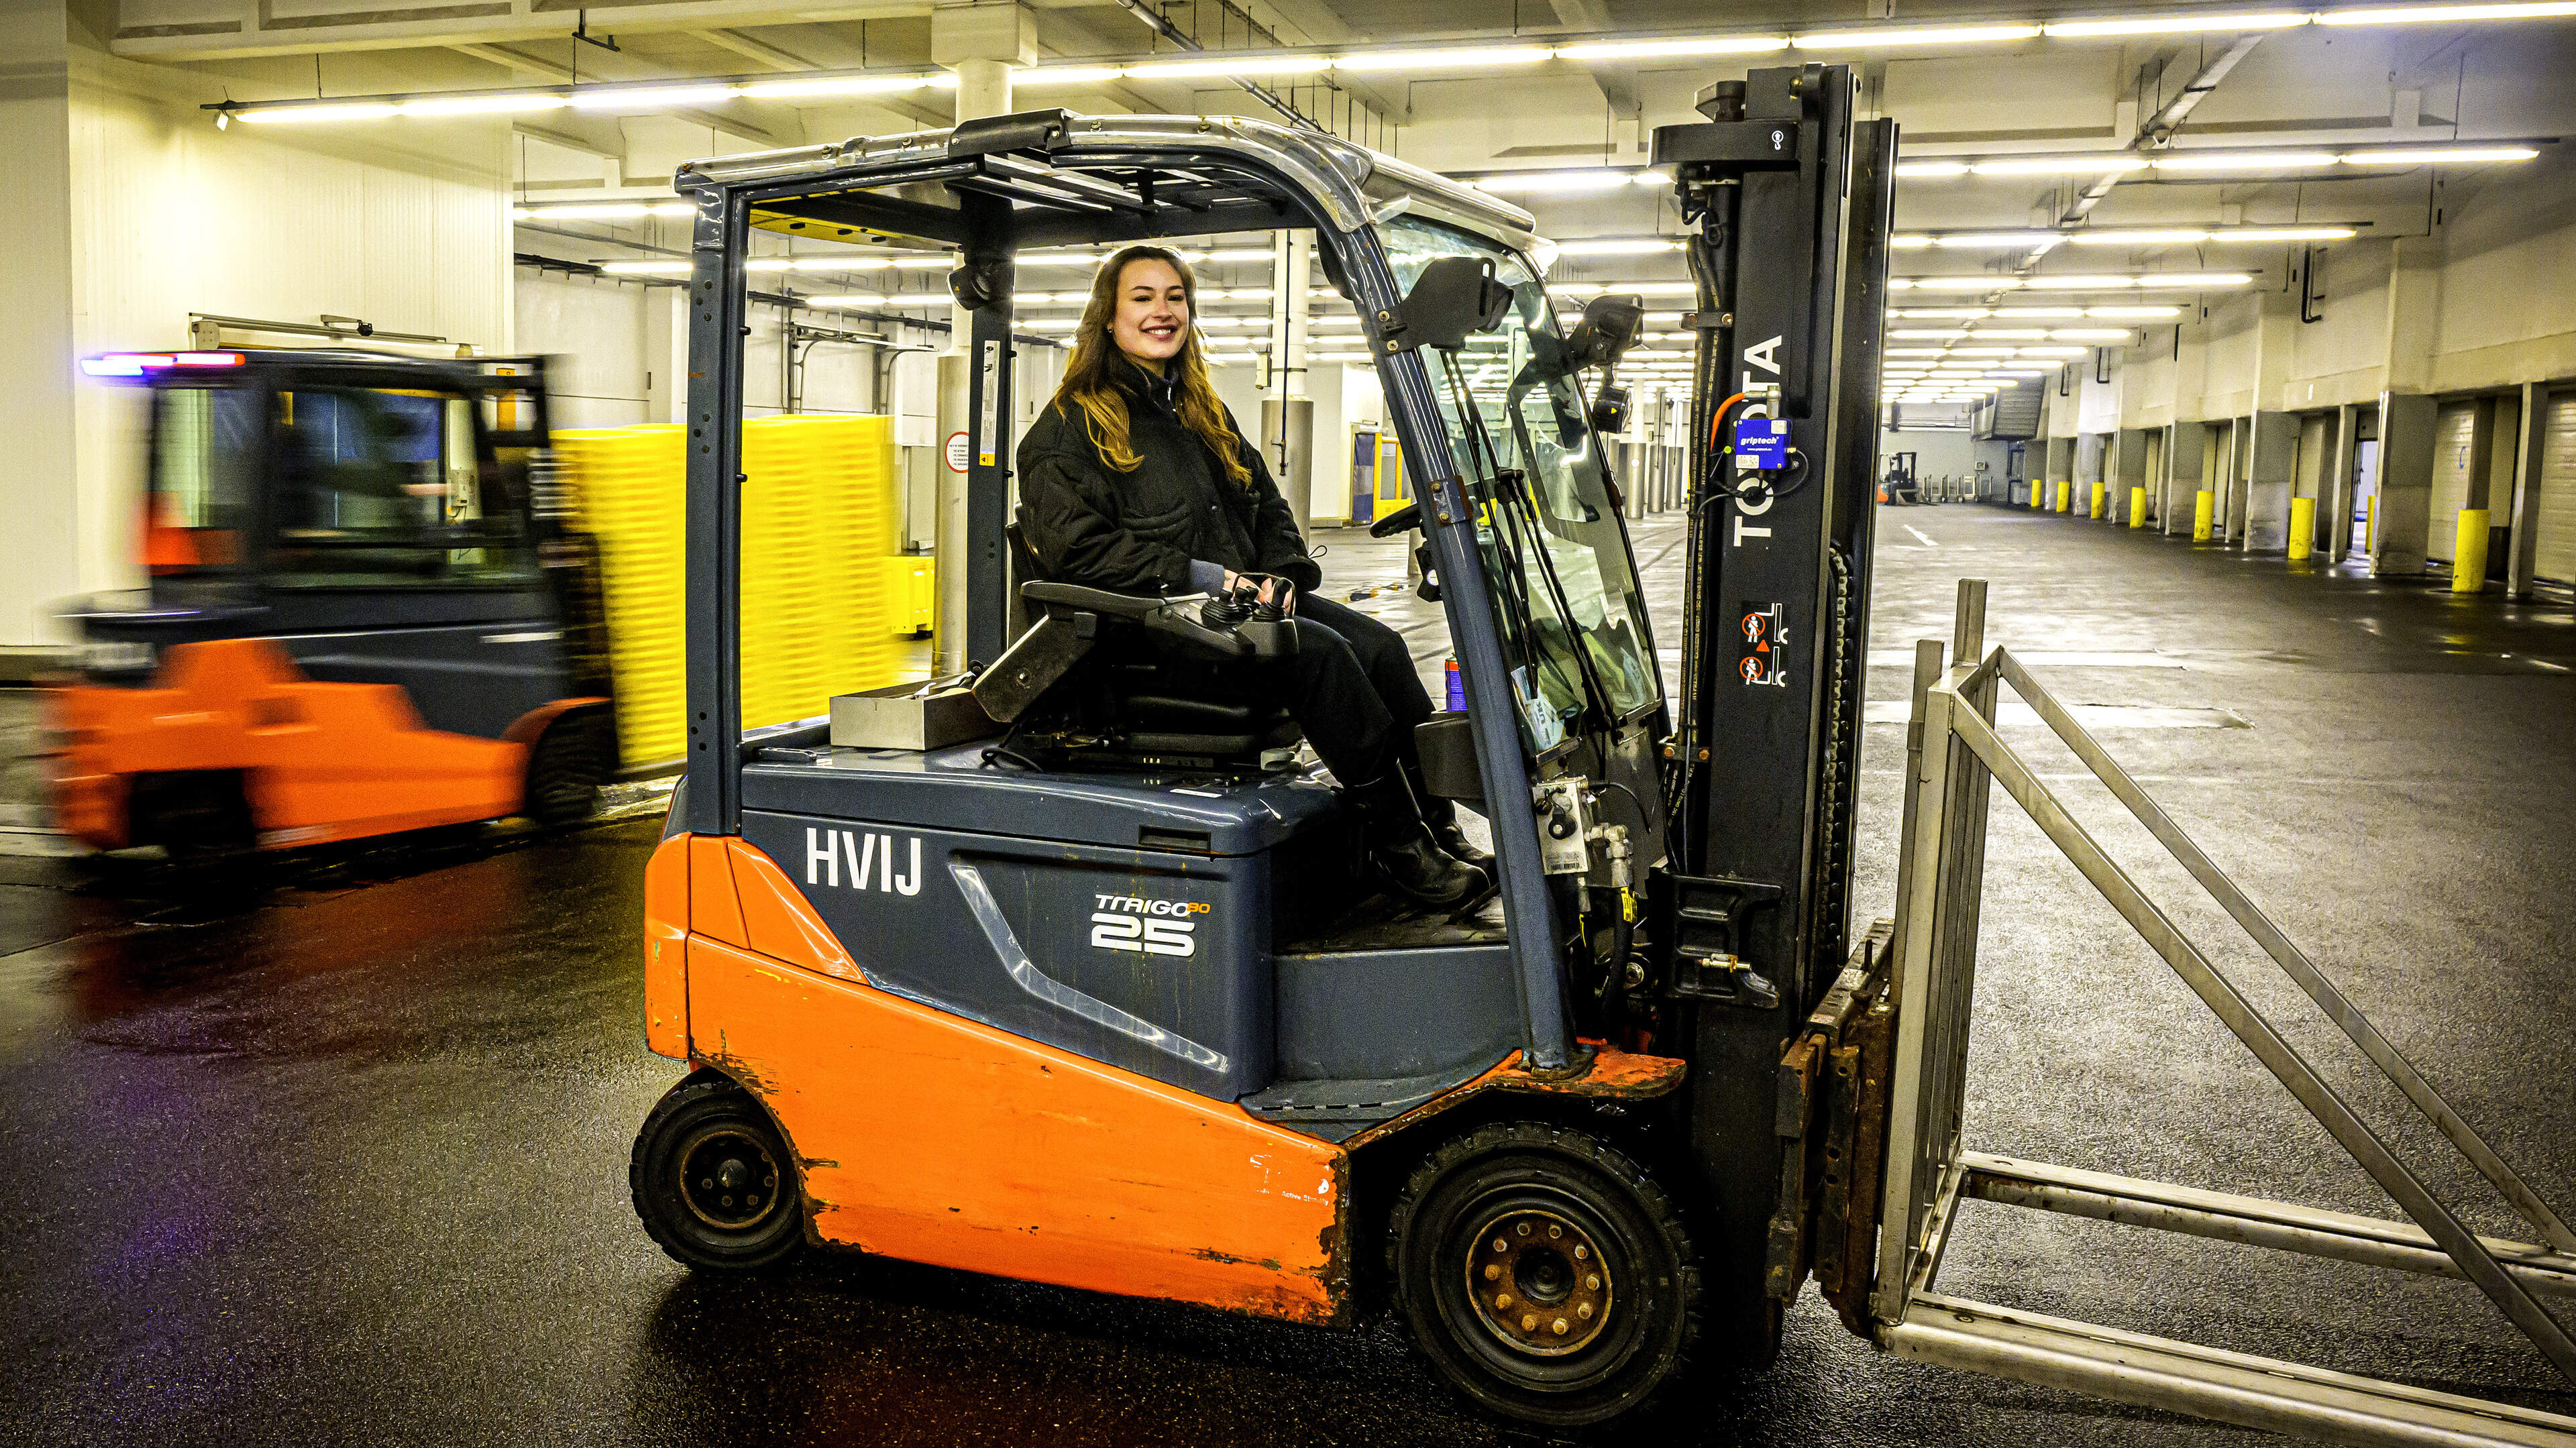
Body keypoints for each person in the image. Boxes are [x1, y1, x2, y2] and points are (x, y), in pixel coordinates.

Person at [1017, 245, 1489, 909]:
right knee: (1322, 657)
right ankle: (1397, 845)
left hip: (1230, 614)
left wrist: (1282, 575)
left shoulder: (1200, 412)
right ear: (1108, 318)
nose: (1163, 311)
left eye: (1174, 296)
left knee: (1382, 648)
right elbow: (1079, 552)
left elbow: (1267, 506)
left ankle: (1436, 824)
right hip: (1155, 630)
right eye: (1143, 297)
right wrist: (1205, 577)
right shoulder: (1072, 427)